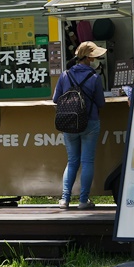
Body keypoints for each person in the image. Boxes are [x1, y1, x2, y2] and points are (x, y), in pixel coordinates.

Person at [52, 41, 106, 209]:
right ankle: (83, 201)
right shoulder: (95, 77)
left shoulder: (65, 75)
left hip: (69, 123)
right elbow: (101, 103)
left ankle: (65, 199)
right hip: (90, 122)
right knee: (87, 161)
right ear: (90, 58)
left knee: (72, 161)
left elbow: (55, 99)